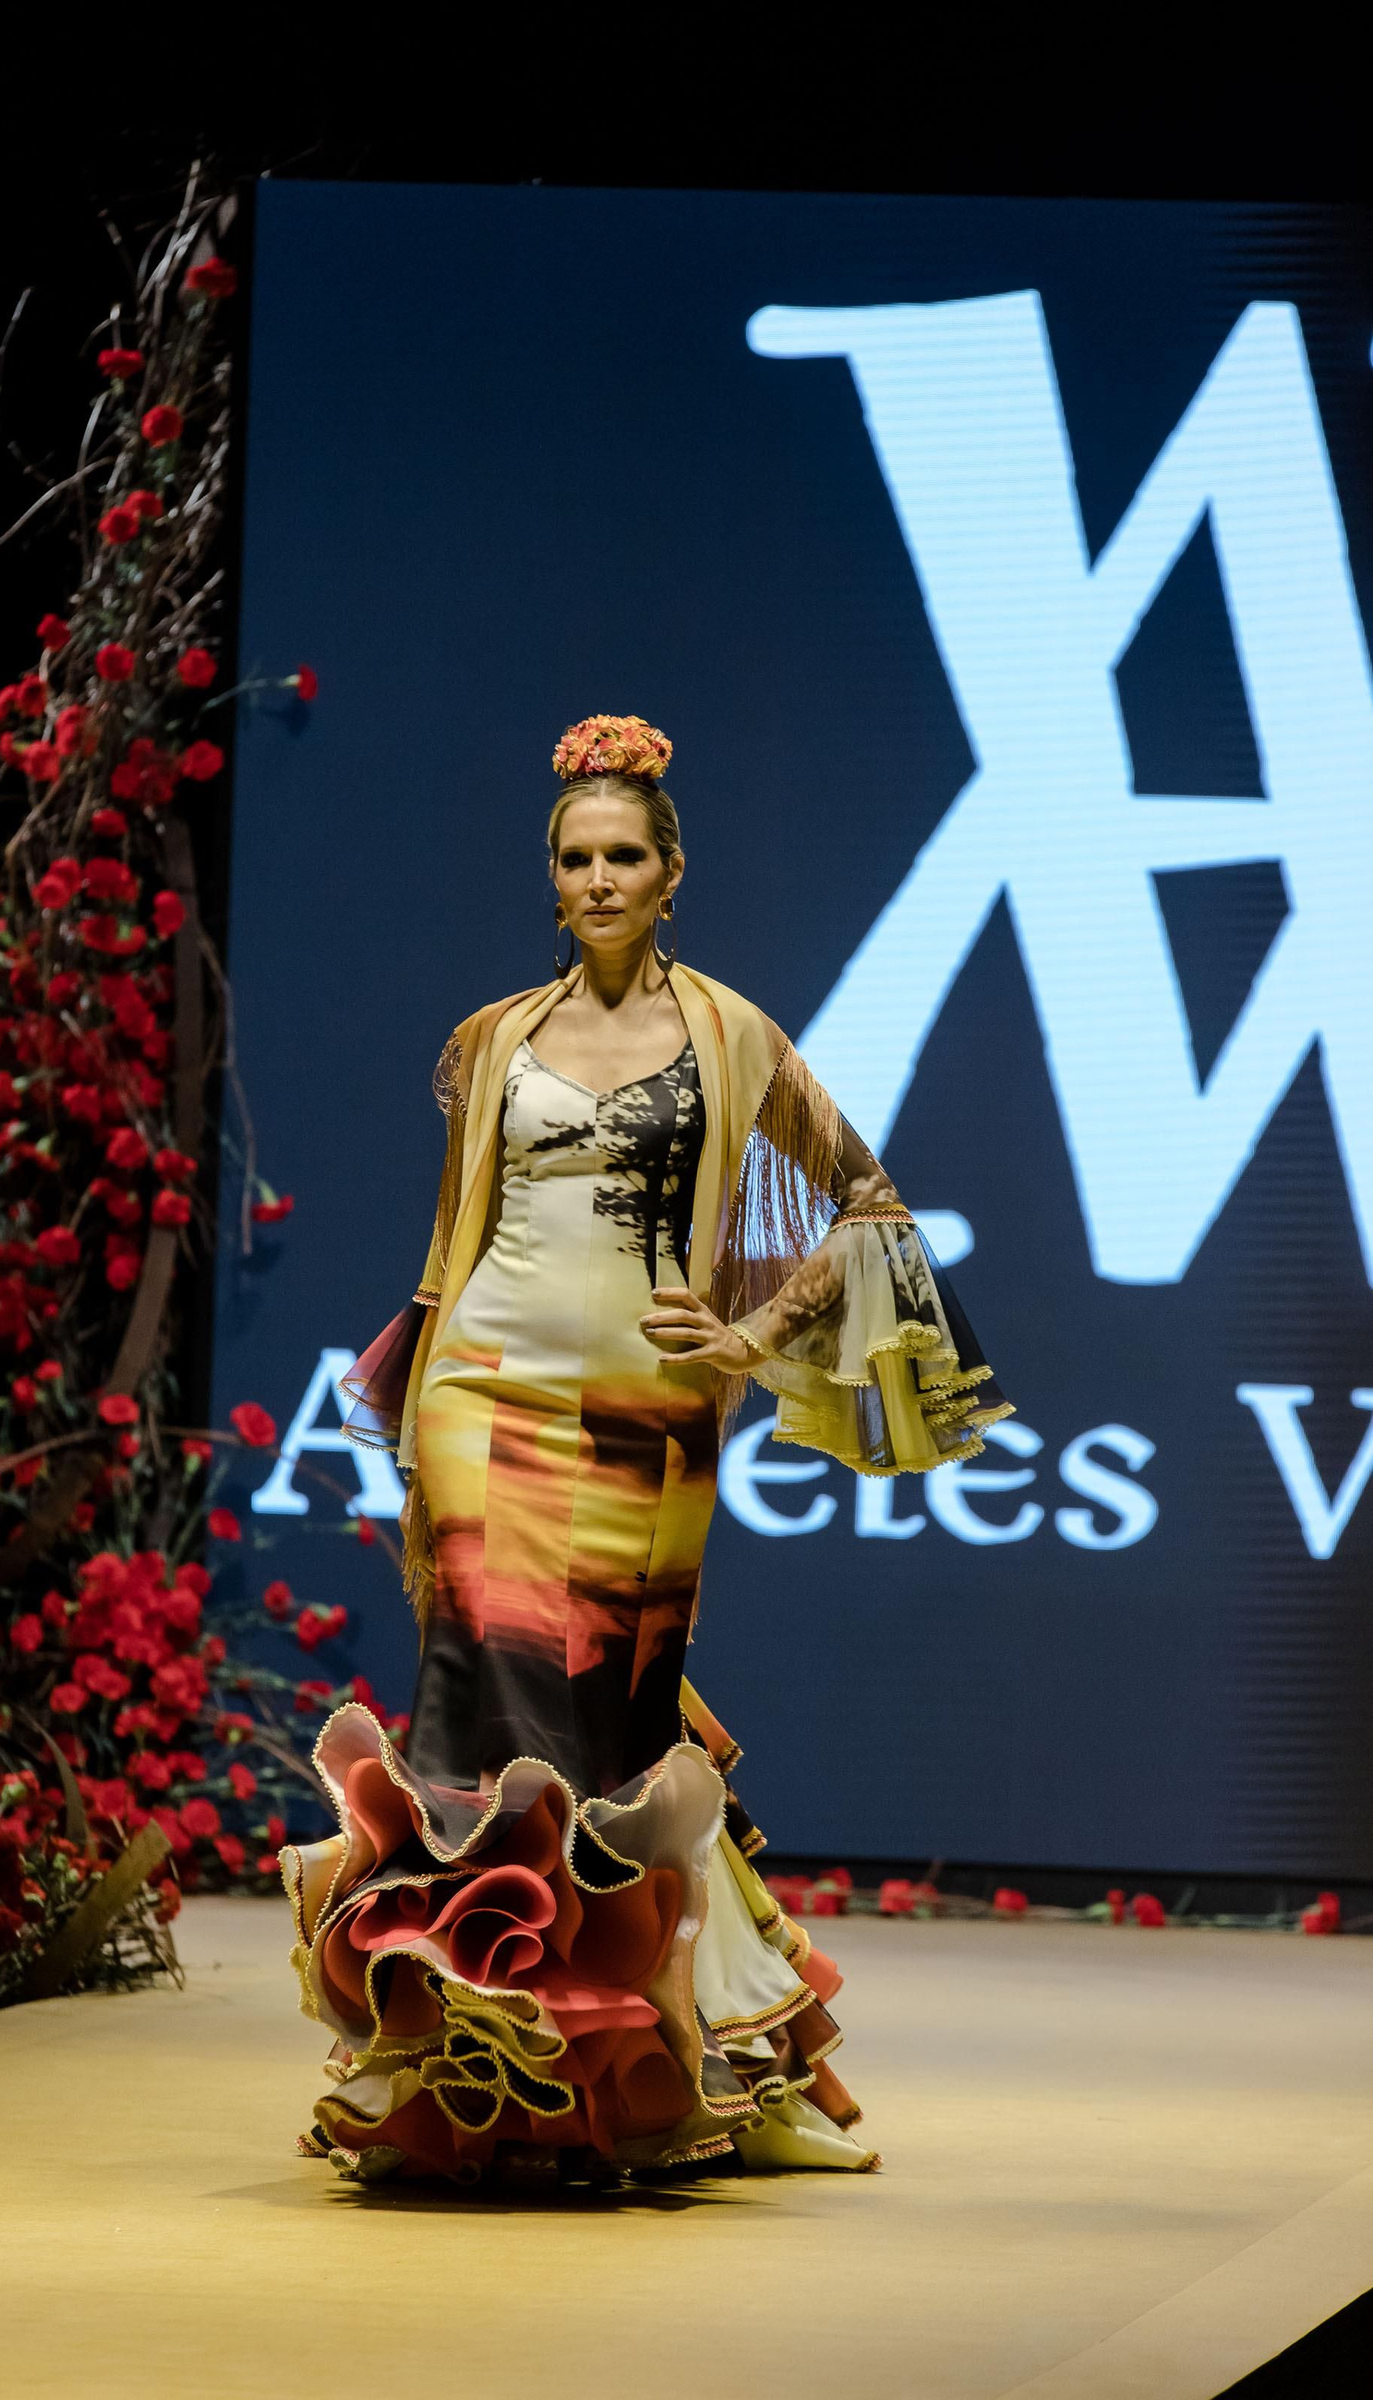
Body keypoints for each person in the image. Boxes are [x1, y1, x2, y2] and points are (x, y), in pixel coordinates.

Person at [279, 713, 1009, 2188]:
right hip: (484, 1394)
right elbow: (452, 1244)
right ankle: (452, 2062)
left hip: (644, 1425)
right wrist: (419, 1412)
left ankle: (696, 2060)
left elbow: (868, 1202)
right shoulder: (492, 1040)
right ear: (551, 881)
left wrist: (749, 1340)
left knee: (615, 1741)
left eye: (625, 856)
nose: (599, 879)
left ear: (672, 872)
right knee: (477, 1732)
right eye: (575, 859)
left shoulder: (733, 1034)